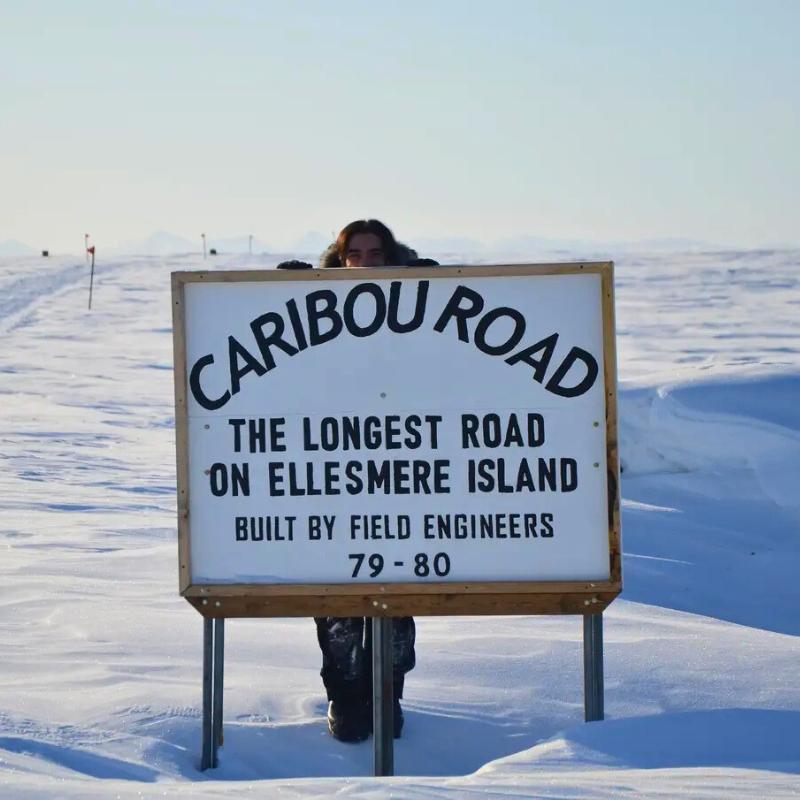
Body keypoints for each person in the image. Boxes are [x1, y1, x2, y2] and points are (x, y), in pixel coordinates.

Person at [277, 220, 438, 742]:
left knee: (397, 594)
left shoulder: (419, 304)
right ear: (340, 259)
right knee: (339, 598)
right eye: (355, 254)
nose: (365, 263)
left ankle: (388, 693)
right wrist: (282, 293)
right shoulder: (321, 305)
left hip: (404, 475)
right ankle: (345, 695)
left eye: (376, 253)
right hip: (334, 475)